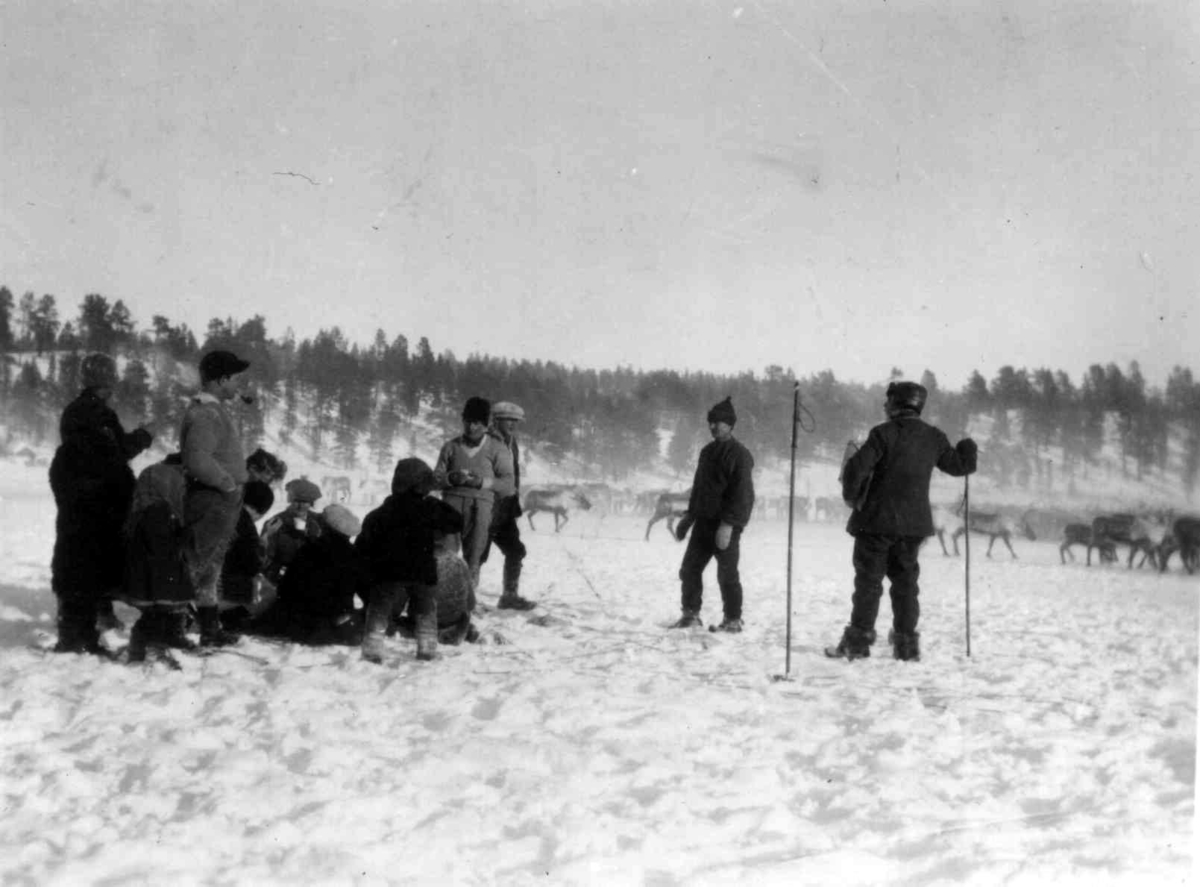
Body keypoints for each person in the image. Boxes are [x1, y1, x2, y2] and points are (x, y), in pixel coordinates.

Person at [825, 381, 978, 662]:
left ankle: (857, 643)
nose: (884, 407)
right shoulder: (934, 437)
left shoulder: (882, 434)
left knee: (868, 583)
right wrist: (968, 448)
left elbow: (856, 470)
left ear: (897, 404)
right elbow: (960, 466)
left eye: (888, 401)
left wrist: (852, 496)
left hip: (875, 524)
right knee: (906, 584)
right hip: (913, 527)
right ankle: (906, 647)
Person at [49, 352, 153, 654]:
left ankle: (80, 636)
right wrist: (145, 436)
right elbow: (114, 453)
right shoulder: (94, 414)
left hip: (83, 501)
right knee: (85, 568)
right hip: (94, 502)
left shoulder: (78, 412)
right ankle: (77, 639)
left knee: (79, 568)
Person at [358, 457, 467, 663]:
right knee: (426, 608)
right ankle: (427, 648)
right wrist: (436, 502)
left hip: (387, 572)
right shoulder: (429, 508)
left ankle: (372, 647)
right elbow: (456, 523)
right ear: (423, 485)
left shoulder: (380, 512)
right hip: (422, 571)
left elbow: (365, 545)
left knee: (379, 608)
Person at [179, 349, 251, 648]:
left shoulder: (213, 410)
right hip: (212, 500)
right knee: (197, 565)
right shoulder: (206, 413)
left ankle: (209, 628)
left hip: (219, 501)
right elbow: (197, 459)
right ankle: (171, 627)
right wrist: (228, 484)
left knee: (209, 569)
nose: (239, 386)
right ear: (221, 379)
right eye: (236, 379)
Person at [670, 396, 756, 632]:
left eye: (718, 422)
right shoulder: (707, 452)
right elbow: (699, 488)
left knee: (727, 576)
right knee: (689, 569)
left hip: (725, 527)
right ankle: (690, 615)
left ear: (730, 425)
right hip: (703, 523)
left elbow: (743, 495)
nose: (713, 426)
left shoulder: (740, 455)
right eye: (710, 422)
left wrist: (729, 525)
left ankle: (732, 620)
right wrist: (689, 517)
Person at [248, 503, 366, 645]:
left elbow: (286, 588)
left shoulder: (310, 549)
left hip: (301, 622)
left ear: (325, 526)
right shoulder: (355, 555)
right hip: (335, 622)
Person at [434, 397, 515, 598]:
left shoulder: (497, 449)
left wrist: (482, 482)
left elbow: (508, 485)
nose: (472, 427)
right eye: (468, 421)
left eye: (477, 422)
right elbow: (435, 479)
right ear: (462, 421)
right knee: (446, 558)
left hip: (480, 509)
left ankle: (466, 606)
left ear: (486, 424)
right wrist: (451, 478)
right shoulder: (450, 447)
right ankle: (444, 606)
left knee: (473, 560)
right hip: (449, 507)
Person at [482, 400, 536, 610]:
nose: (513, 424)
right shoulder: (486, 442)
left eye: (516, 421)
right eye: (508, 420)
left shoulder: (512, 442)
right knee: (478, 556)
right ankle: (463, 601)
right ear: (496, 420)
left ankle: (509, 596)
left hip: (505, 509)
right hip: (487, 508)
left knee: (516, 551)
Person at [218, 479, 275, 630]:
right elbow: (253, 567)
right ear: (260, 511)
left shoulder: (220, 507)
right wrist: (264, 540)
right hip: (215, 587)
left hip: (186, 577)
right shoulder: (246, 525)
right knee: (269, 593)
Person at [261, 477, 323, 584]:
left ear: (311, 503)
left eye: (305, 502)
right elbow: (266, 558)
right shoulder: (275, 523)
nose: (300, 506)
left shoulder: (320, 522)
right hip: (282, 580)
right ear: (290, 500)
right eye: (296, 501)